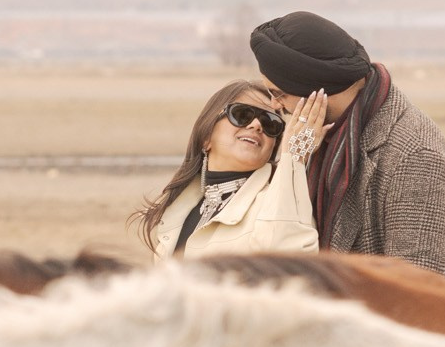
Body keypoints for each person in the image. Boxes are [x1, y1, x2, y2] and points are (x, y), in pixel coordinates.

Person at [249, 9, 445, 283]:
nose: (274, 105)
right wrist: (293, 158)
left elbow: (415, 289)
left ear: (316, 88)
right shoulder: (320, 135)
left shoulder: (415, 156)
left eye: (278, 93)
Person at [135, 79, 318, 261]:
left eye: (270, 122)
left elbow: (290, 264)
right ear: (206, 136)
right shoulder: (176, 210)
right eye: (241, 114)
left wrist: (294, 156)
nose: (256, 125)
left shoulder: (277, 202)